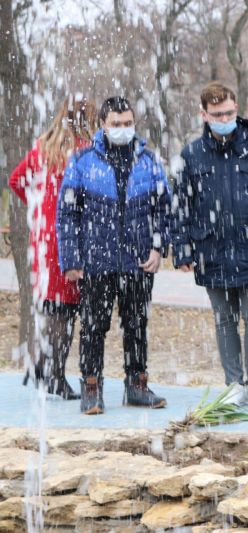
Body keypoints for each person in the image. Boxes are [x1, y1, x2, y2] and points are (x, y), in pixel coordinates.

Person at [172, 81, 248, 409]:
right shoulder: (192, 154)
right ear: (204, 114)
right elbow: (181, 205)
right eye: (217, 114)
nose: (224, 118)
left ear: (236, 109)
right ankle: (233, 383)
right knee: (224, 319)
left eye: (229, 112)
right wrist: (182, 248)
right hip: (212, 249)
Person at [57, 96, 171, 415]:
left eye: (128, 123)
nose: (123, 129)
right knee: (94, 326)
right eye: (116, 124)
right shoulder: (82, 162)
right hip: (96, 260)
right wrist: (72, 259)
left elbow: (163, 208)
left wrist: (158, 246)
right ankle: (91, 388)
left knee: (136, 324)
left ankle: (137, 384)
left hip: (137, 259)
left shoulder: (148, 161)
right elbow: (67, 214)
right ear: (103, 126)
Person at [9, 94, 96, 400]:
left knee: (53, 306)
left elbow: (16, 180)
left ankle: (41, 366)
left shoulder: (42, 146)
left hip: (44, 238)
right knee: (65, 310)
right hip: (71, 239)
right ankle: (54, 375)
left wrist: (37, 210)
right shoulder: (86, 151)